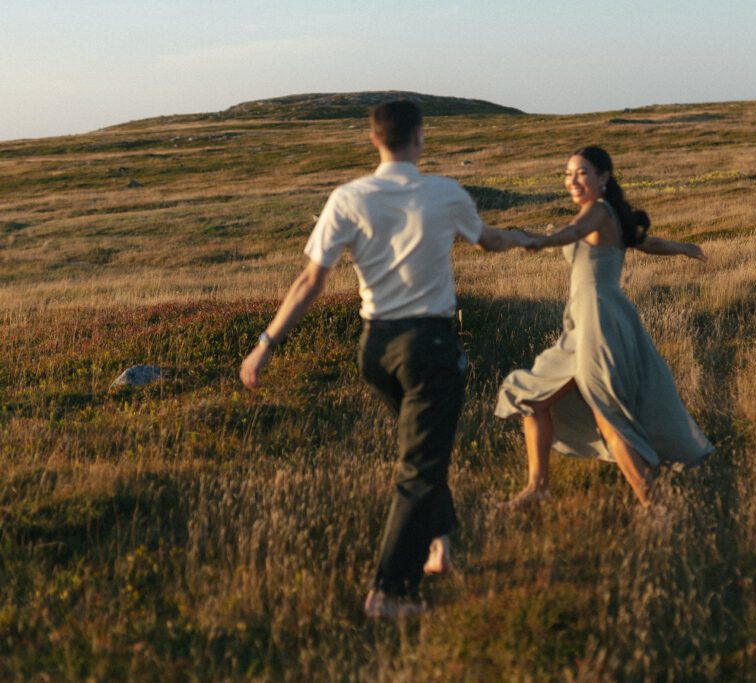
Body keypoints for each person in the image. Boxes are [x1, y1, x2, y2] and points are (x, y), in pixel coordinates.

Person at [240, 99, 530, 618]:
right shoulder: (445, 193)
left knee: (424, 449)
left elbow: (311, 281)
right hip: (429, 348)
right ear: (420, 136)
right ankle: (388, 592)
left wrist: (265, 344)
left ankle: (439, 544)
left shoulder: (348, 197)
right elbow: (488, 241)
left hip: (374, 349)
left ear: (374, 139)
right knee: (421, 464)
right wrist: (527, 240)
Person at [495, 146, 714, 508]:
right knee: (530, 397)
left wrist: (543, 241)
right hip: (581, 325)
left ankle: (655, 506)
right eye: (568, 174)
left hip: (601, 322)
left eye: (582, 173)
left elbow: (572, 233)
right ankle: (538, 488)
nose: (573, 181)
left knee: (607, 414)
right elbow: (649, 242)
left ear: (603, 178)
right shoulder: (606, 215)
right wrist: (684, 247)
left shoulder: (597, 212)